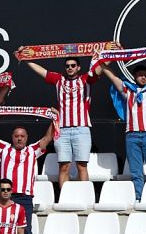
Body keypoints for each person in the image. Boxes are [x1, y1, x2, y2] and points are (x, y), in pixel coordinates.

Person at [100, 55, 146, 200]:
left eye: (145, 75)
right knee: (136, 174)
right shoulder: (128, 90)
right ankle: (139, 198)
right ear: (134, 76)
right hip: (132, 136)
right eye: (140, 75)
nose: (143, 77)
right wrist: (101, 61)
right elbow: (112, 77)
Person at [25, 55, 96, 188]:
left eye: (73, 65)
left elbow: (100, 68)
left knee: (82, 166)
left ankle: (85, 196)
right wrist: (25, 58)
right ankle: (64, 196)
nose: (70, 68)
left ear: (78, 67)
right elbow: (42, 71)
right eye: (67, 66)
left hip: (82, 129)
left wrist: (112, 53)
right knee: (64, 166)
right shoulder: (58, 79)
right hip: (62, 130)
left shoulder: (86, 79)